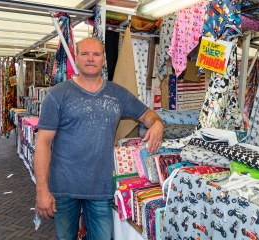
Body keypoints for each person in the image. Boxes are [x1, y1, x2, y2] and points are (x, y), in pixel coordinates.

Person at [34, 37, 164, 240]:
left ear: (103, 59)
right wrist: (42, 190)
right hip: (64, 187)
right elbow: (42, 142)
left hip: (100, 188)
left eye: (96, 54)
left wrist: (157, 124)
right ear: (76, 58)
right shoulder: (58, 94)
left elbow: (148, 115)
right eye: (85, 53)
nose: (91, 58)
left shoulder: (117, 94)